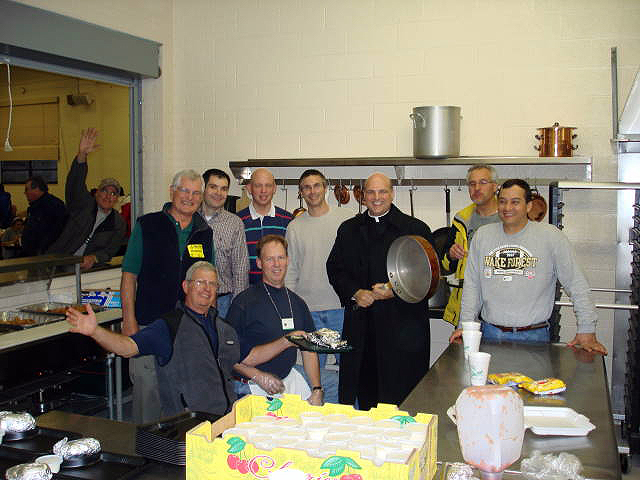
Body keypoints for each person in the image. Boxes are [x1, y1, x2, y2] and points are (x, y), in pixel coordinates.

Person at [449, 179, 608, 355]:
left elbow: (576, 284)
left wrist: (587, 330)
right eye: (502, 201)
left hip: (534, 337)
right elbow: (472, 287)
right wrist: (464, 325)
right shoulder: (482, 236)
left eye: (515, 202)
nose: (507, 207)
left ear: (529, 206)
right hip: (490, 334)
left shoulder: (551, 237)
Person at [67, 261, 240, 417]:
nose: (207, 288)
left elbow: (240, 360)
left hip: (227, 417)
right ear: (186, 286)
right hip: (191, 423)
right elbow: (128, 347)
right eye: (200, 282)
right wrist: (95, 331)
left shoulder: (223, 327)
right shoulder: (169, 326)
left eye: (212, 284)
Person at [326, 173, 435, 410]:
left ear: (392, 193)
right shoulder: (349, 229)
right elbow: (334, 268)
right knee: (365, 396)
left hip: (402, 330)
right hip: (362, 328)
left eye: (382, 191)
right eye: (371, 192)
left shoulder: (415, 229)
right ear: (363, 196)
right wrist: (355, 292)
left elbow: (428, 276)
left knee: (402, 399)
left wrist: (395, 290)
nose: (377, 198)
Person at [120, 169, 214, 423]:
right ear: (172, 192)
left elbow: (209, 284)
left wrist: (208, 327)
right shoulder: (148, 225)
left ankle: (177, 447)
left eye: (196, 193)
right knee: (148, 394)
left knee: (183, 397)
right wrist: (129, 320)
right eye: (184, 190)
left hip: (187, 330)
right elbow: (129, 276)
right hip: (149, 324)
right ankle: (145, 447)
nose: (190, 197)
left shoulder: (204, 233)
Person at [227, 234, 323, 406]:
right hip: (251, 385)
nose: (276, 264)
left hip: (288, 381)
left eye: (280, 258)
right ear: (259, 263)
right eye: (270, 259)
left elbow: (309, 351)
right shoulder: (243, 303)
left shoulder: (298, 303)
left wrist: (317, 389)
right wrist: (258, 375)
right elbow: (230, 356)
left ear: (287, 260)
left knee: (332, 387)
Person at [285, 169, 352, 376]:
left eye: (316, 186)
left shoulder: (345, 220)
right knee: (313, 373)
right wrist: (292, 308)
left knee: (348, 371)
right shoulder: (294, 227)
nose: (312, 191)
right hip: (309, 312)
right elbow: (291, 270)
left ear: (325, 188)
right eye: (306, 187)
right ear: (301, 192)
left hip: (340, 310)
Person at [47, 128, 126, 270]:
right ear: (96, 193)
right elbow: (75, 183)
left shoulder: (118, 223)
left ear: (117, 199)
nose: (108, 196)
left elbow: (110, 251)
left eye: (113, 193)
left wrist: (95, 258)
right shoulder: (83, 204)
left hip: (87, 272)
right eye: (104, 191)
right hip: (57, 265)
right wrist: (82, 155)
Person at [441, 164, 501, 327]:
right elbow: (445, 265)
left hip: (500, 306)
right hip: (468, 306)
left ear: (495, 186)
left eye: (483, 182)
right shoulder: (462, 219)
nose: (477, 188)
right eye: (472, 184)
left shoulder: (507, 217)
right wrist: (451, 255)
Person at [200, 168, 249, 319]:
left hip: (223, 302)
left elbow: (240, 268)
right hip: (191, 299)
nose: (218, 193)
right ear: (203, 188)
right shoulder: (190, 218)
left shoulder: (235, 223)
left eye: (224, 189)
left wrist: (237, 307)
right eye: (213, 187)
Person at [237, 168, 292, 284]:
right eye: (258, 186)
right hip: (247, 290)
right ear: (249, 188)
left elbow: (292, 262)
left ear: (274, 188)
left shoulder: (288, 220)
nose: (263, 190)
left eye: (268, 185)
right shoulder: (237, 221)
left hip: (279, 289)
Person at [21, 176, 67, 256]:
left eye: (27, 189)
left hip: (45, 253)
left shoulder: (52, 206)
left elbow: (55, 231)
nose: (25, 193)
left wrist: (42, 249)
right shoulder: (36, 207)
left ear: (36, 189)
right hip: (35, 252)